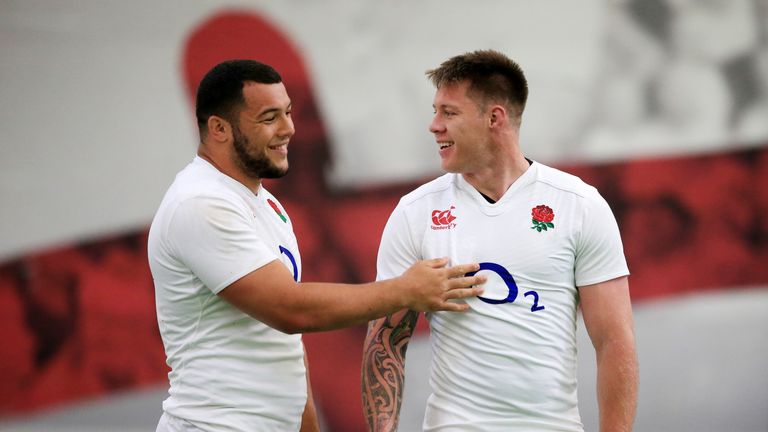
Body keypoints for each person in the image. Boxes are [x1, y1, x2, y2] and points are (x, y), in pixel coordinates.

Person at [147, 59, 486, 432]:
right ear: (219, 128)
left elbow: (285, 341)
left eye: (289, 113)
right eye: (269, 117)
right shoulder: (199, 203)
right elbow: (290, 311)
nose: (288, 129)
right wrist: (405, 291)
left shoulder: (263, 202)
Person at [362, 50, 638, 431]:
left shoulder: (579, 204)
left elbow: (614, 341)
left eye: (449, 112)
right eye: (435, 110)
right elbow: (385, 342)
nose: (433, 125)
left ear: (494, 118)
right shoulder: (416, 212)